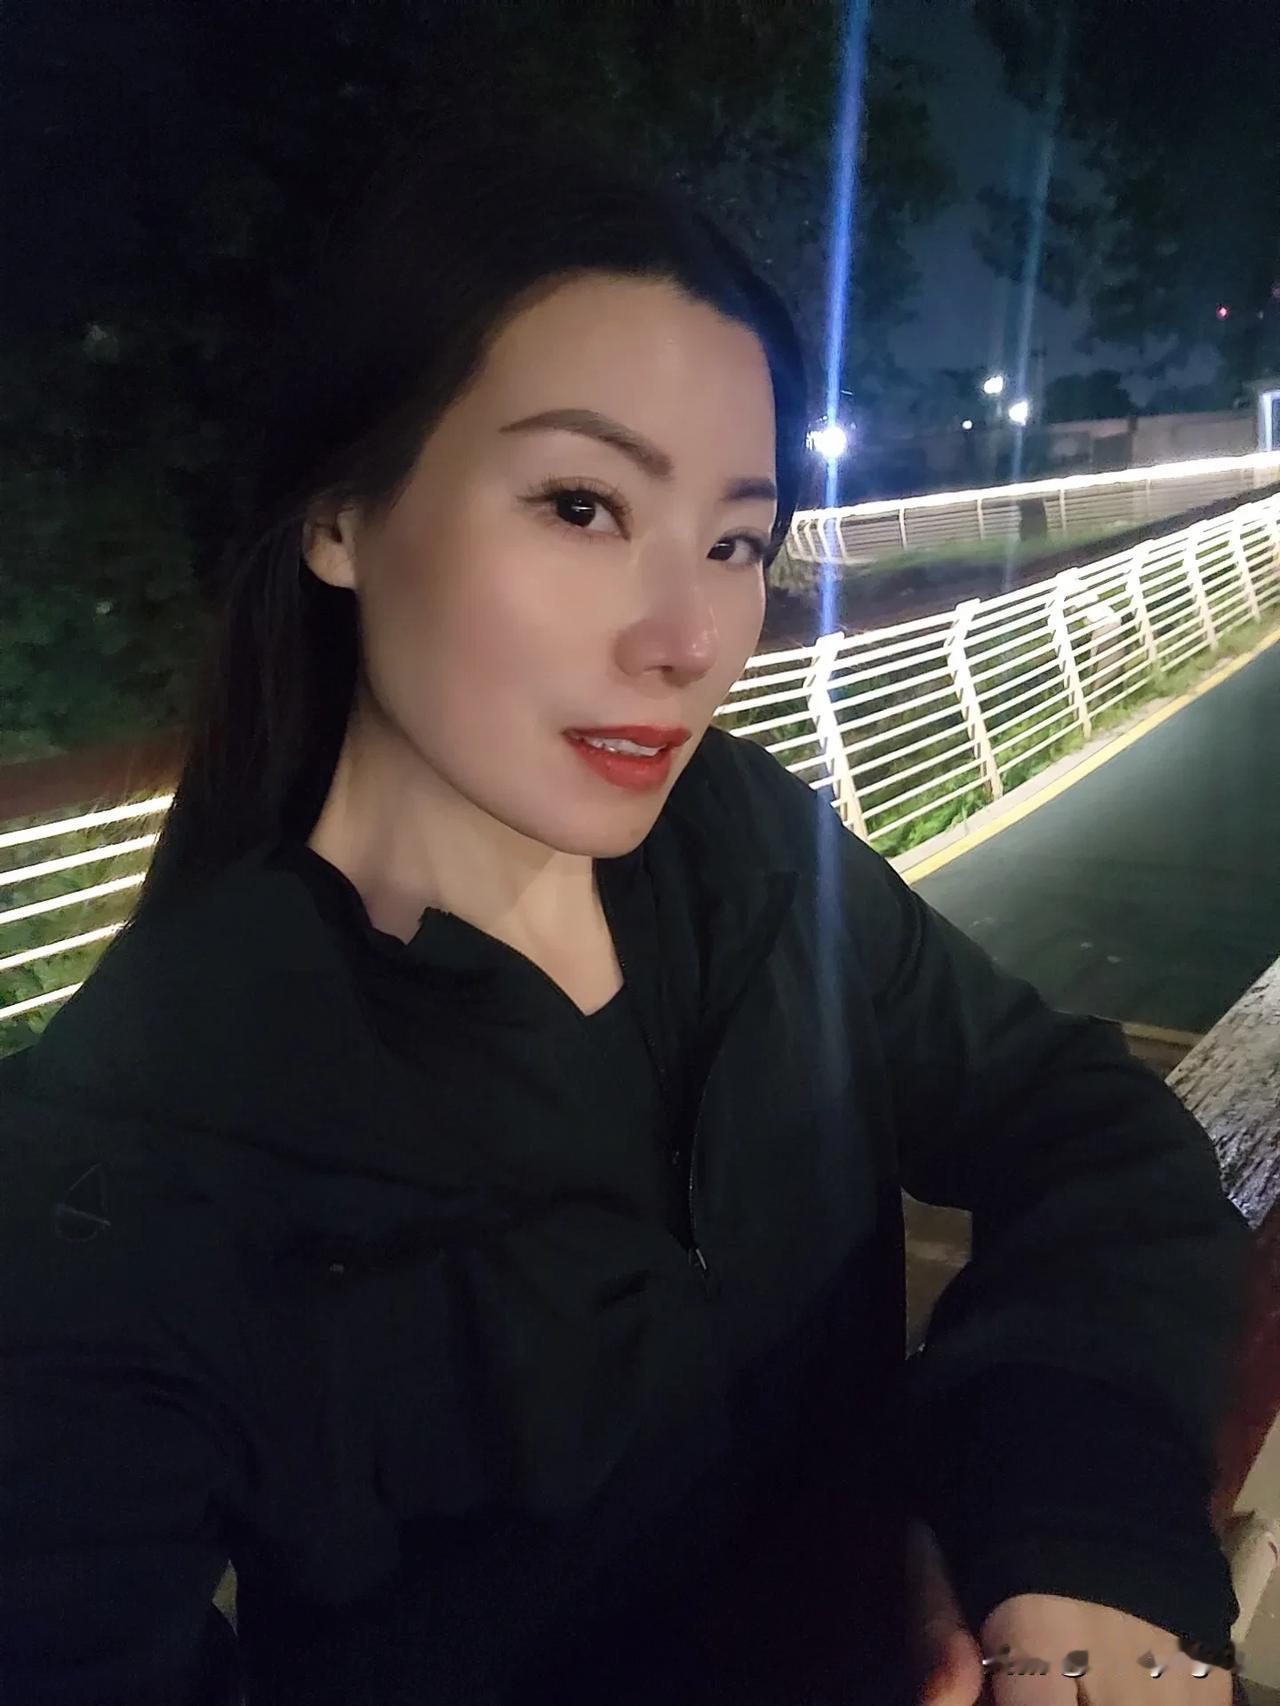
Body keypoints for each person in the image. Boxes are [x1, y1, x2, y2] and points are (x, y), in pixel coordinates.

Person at [0, 117, 1253, 1706]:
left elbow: (1081, 1120)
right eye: (584, 505)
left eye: (734, 541)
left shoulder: (746, 853)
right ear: (339, 514)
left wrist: (1063, 1513)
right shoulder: (128, 1156)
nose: (690, 639)